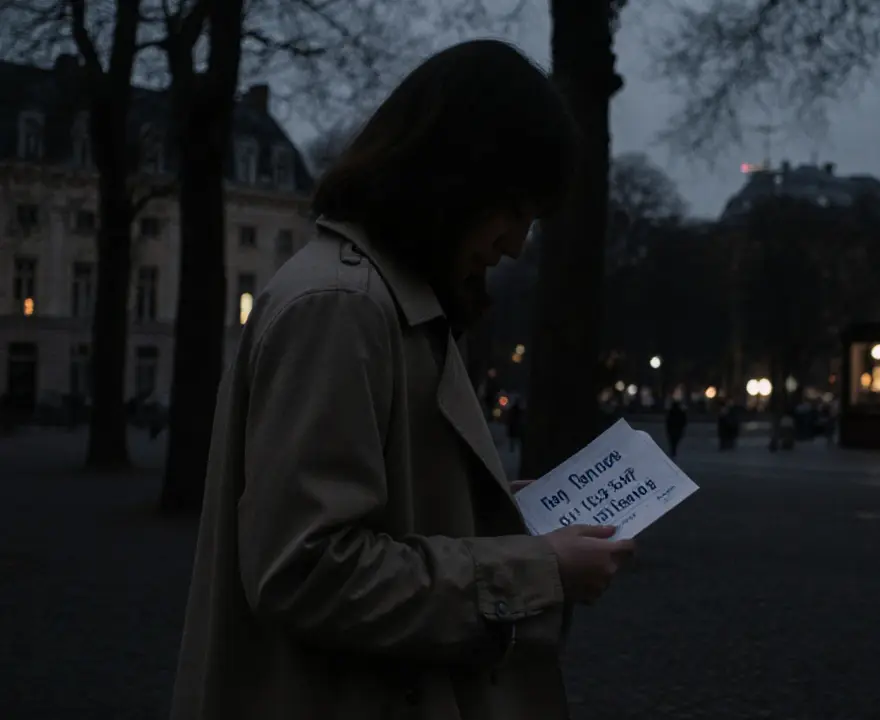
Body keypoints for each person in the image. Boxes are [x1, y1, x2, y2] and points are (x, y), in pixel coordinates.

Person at [170, 40, 635, 720]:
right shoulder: (345, 307)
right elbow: (307, 571)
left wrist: (493, 506)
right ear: (457, 179)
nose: (516, 244)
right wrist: (538, 571)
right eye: (515, 210)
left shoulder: (384, 300)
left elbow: (375, 506)